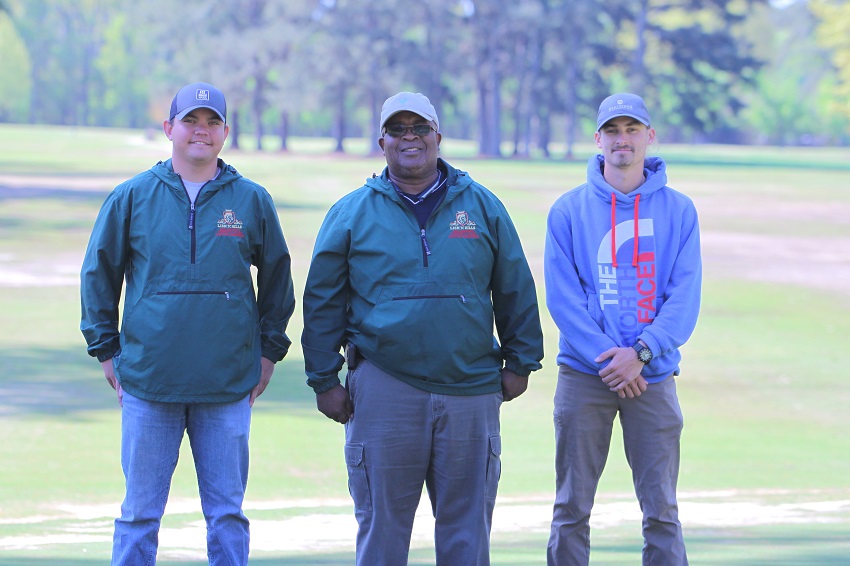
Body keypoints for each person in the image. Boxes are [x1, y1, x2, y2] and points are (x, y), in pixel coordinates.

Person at [301, 91, 544, 565]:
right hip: (385, 387)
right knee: (382, 534)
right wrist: (323, 378)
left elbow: (514, 284)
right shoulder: (352, 212)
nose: (409, 138)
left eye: (420, 128)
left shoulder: (482, 206)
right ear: (382, 141)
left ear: (438, 137)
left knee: (467, 535)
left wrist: (522, 361)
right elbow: (322, 301)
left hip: (470, 387)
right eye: (398, 129)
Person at [80, 82, 295, 565]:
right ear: (169, 128)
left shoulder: (251, 200)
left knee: (226, 517)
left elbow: (278, 281)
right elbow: (99, 275)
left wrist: (267, 353)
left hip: (227, 384)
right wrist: (105, 349)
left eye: (212, 122)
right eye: (191, 121)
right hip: (149, 383)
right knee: (138, 516)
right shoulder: (133, 196)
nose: (202, 131)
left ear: (225, 132)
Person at [544, 93, 701, 565]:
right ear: (598, 139)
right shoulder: (569, 210)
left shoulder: (679, 210)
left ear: (650, 137)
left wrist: (642, 353)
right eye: (613, 131)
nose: (623, 140)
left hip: (651, 378)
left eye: (633, 130)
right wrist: (614, 358)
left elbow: (684, 297)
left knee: (662, 511)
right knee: (571, 507)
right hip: (585, 376)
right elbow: (563, 299)